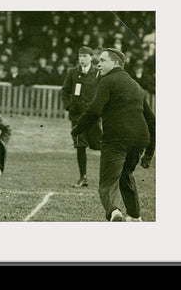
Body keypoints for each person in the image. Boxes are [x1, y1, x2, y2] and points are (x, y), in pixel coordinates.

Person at [71, 48, 155, 222]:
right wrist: (149, 152)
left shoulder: (107, 80)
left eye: (102, 60)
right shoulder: (135, 85)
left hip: (116, 139)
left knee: (107, 183)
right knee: (126, 175)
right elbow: (152, 120)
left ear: (116, 63)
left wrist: (77, 129)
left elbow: (94, 110)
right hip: (139, 140)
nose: (98, 64)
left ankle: (114, 213)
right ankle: (134, 216)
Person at [61, 46, 102, 188]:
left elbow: (103, 92)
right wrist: (69, 106)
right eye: (80, 56)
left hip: (93, 117)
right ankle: (83, 177)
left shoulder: (98, 73)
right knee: (80, 144)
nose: (82, 59)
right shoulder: (73, 72)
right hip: (77, 117)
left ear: (91, 57)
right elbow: (65, 91)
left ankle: (109, 176)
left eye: (85, 56)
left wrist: (98, 109)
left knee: (99, 145)